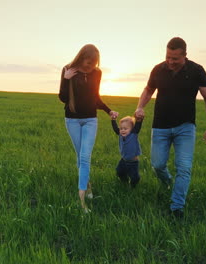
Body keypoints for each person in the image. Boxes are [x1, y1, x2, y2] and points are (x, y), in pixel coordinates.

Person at [135, 37, 206, 219]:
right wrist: (140, 107)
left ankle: (176, 207)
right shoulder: (158, 69)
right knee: (157, 165)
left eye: (175, 59)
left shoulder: (197, 71)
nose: (170, 62)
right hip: (160, 127)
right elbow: (148, 90)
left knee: (184, 168)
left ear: (184, 56)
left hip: (185, 128)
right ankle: (168, 183)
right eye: (168, 57)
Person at [59, 44, 119, 213]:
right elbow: (63, 98)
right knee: (80, 157)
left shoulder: (97, 73)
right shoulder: (67, 69)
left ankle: (81, 200)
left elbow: (95, 97)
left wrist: (108, 111)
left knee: (85, 157)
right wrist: (66, 78)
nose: (90, 67)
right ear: (81, 57)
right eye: (87, 63)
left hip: (90, 119)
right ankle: (88, 187)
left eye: (93, 64)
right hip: (72, 120)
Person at [111, 115, 143, 188]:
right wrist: (113, 120)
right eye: (121, 128)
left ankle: (133, 185)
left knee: (134, 177)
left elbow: (137, 127)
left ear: (132, 129)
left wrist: (139, 120)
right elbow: (116, 129)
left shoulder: (133, 134)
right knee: (119, 172)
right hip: (123, 160)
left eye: (125, 128)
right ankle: (124, 182)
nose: (122, 130)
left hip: (133, 163)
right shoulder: (120, 135)